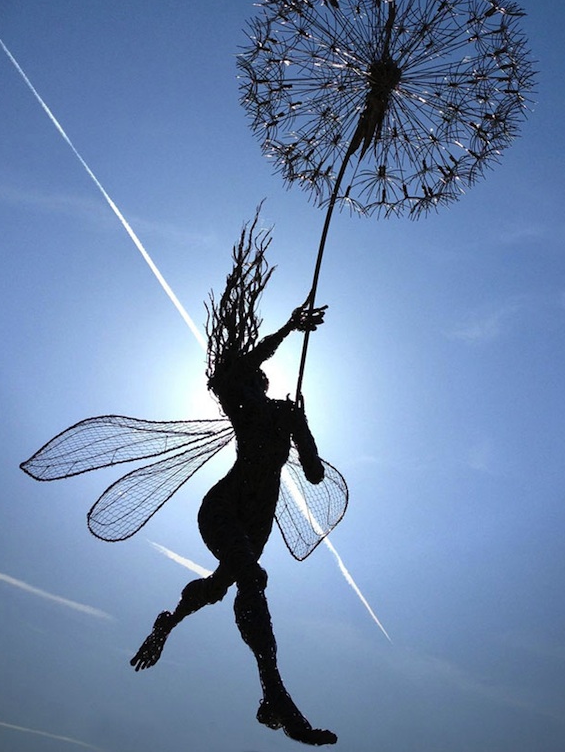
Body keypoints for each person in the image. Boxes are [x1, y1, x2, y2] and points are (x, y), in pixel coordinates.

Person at [130, 216, 337, 746]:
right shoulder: (244, 410)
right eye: (247, 372)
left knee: (230, 584)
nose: (249, 378)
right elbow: (229, 375)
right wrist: (288, 330)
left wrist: (304, 427)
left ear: (260, 382)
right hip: (224, 509)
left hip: (258, 518)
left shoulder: (286, 414)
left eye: (252, 376)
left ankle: (170, 622)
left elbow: (314, 476)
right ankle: (276, 695)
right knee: (252, 579)